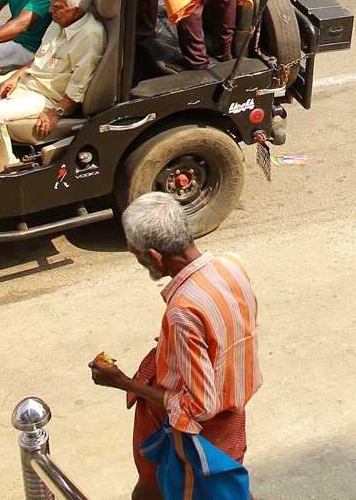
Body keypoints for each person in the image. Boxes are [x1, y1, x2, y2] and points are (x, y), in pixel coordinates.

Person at [90, 192, 261, 500]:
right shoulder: (231, 264)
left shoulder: (183, 311)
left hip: (188, 431)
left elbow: (200, 407)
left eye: (138, 256)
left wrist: (124, 383)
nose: (142, 263)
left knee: (153, 494)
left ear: (155, 257)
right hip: (232, 417)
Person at [0, 0, 106, 176]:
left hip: (45, 97)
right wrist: (15, 75)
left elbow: (78, 86)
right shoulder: (60, 21)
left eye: (57, 6)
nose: (50, 10)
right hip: (27, 81)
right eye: (51, 3)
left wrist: (54, 113)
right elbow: (40, 57)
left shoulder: (90, 37)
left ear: (77, 11)